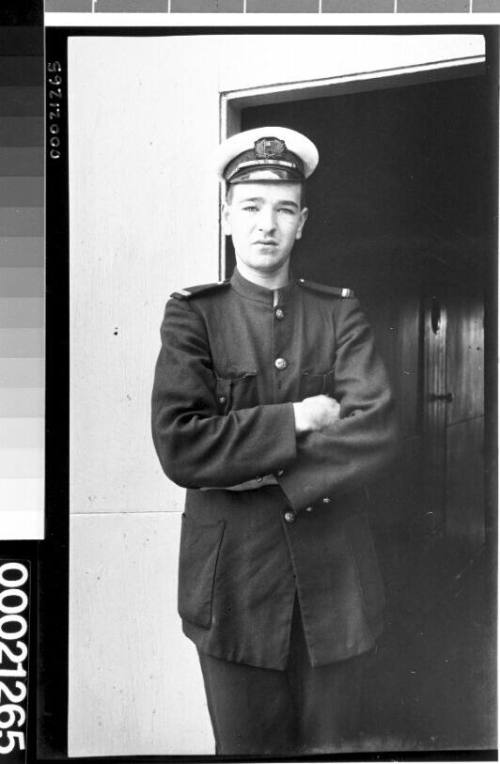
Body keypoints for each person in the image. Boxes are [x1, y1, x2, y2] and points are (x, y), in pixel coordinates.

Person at [151, 126, 398, 756]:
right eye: (253, 207)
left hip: (336, 592)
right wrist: (297, 420)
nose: (268, 224)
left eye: (284, 208)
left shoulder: (338, 313)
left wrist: (260, 467)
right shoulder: (194, 316)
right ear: (227, 216)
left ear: (303, 222)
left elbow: (374, 430)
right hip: (234, 592)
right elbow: (182, 445)